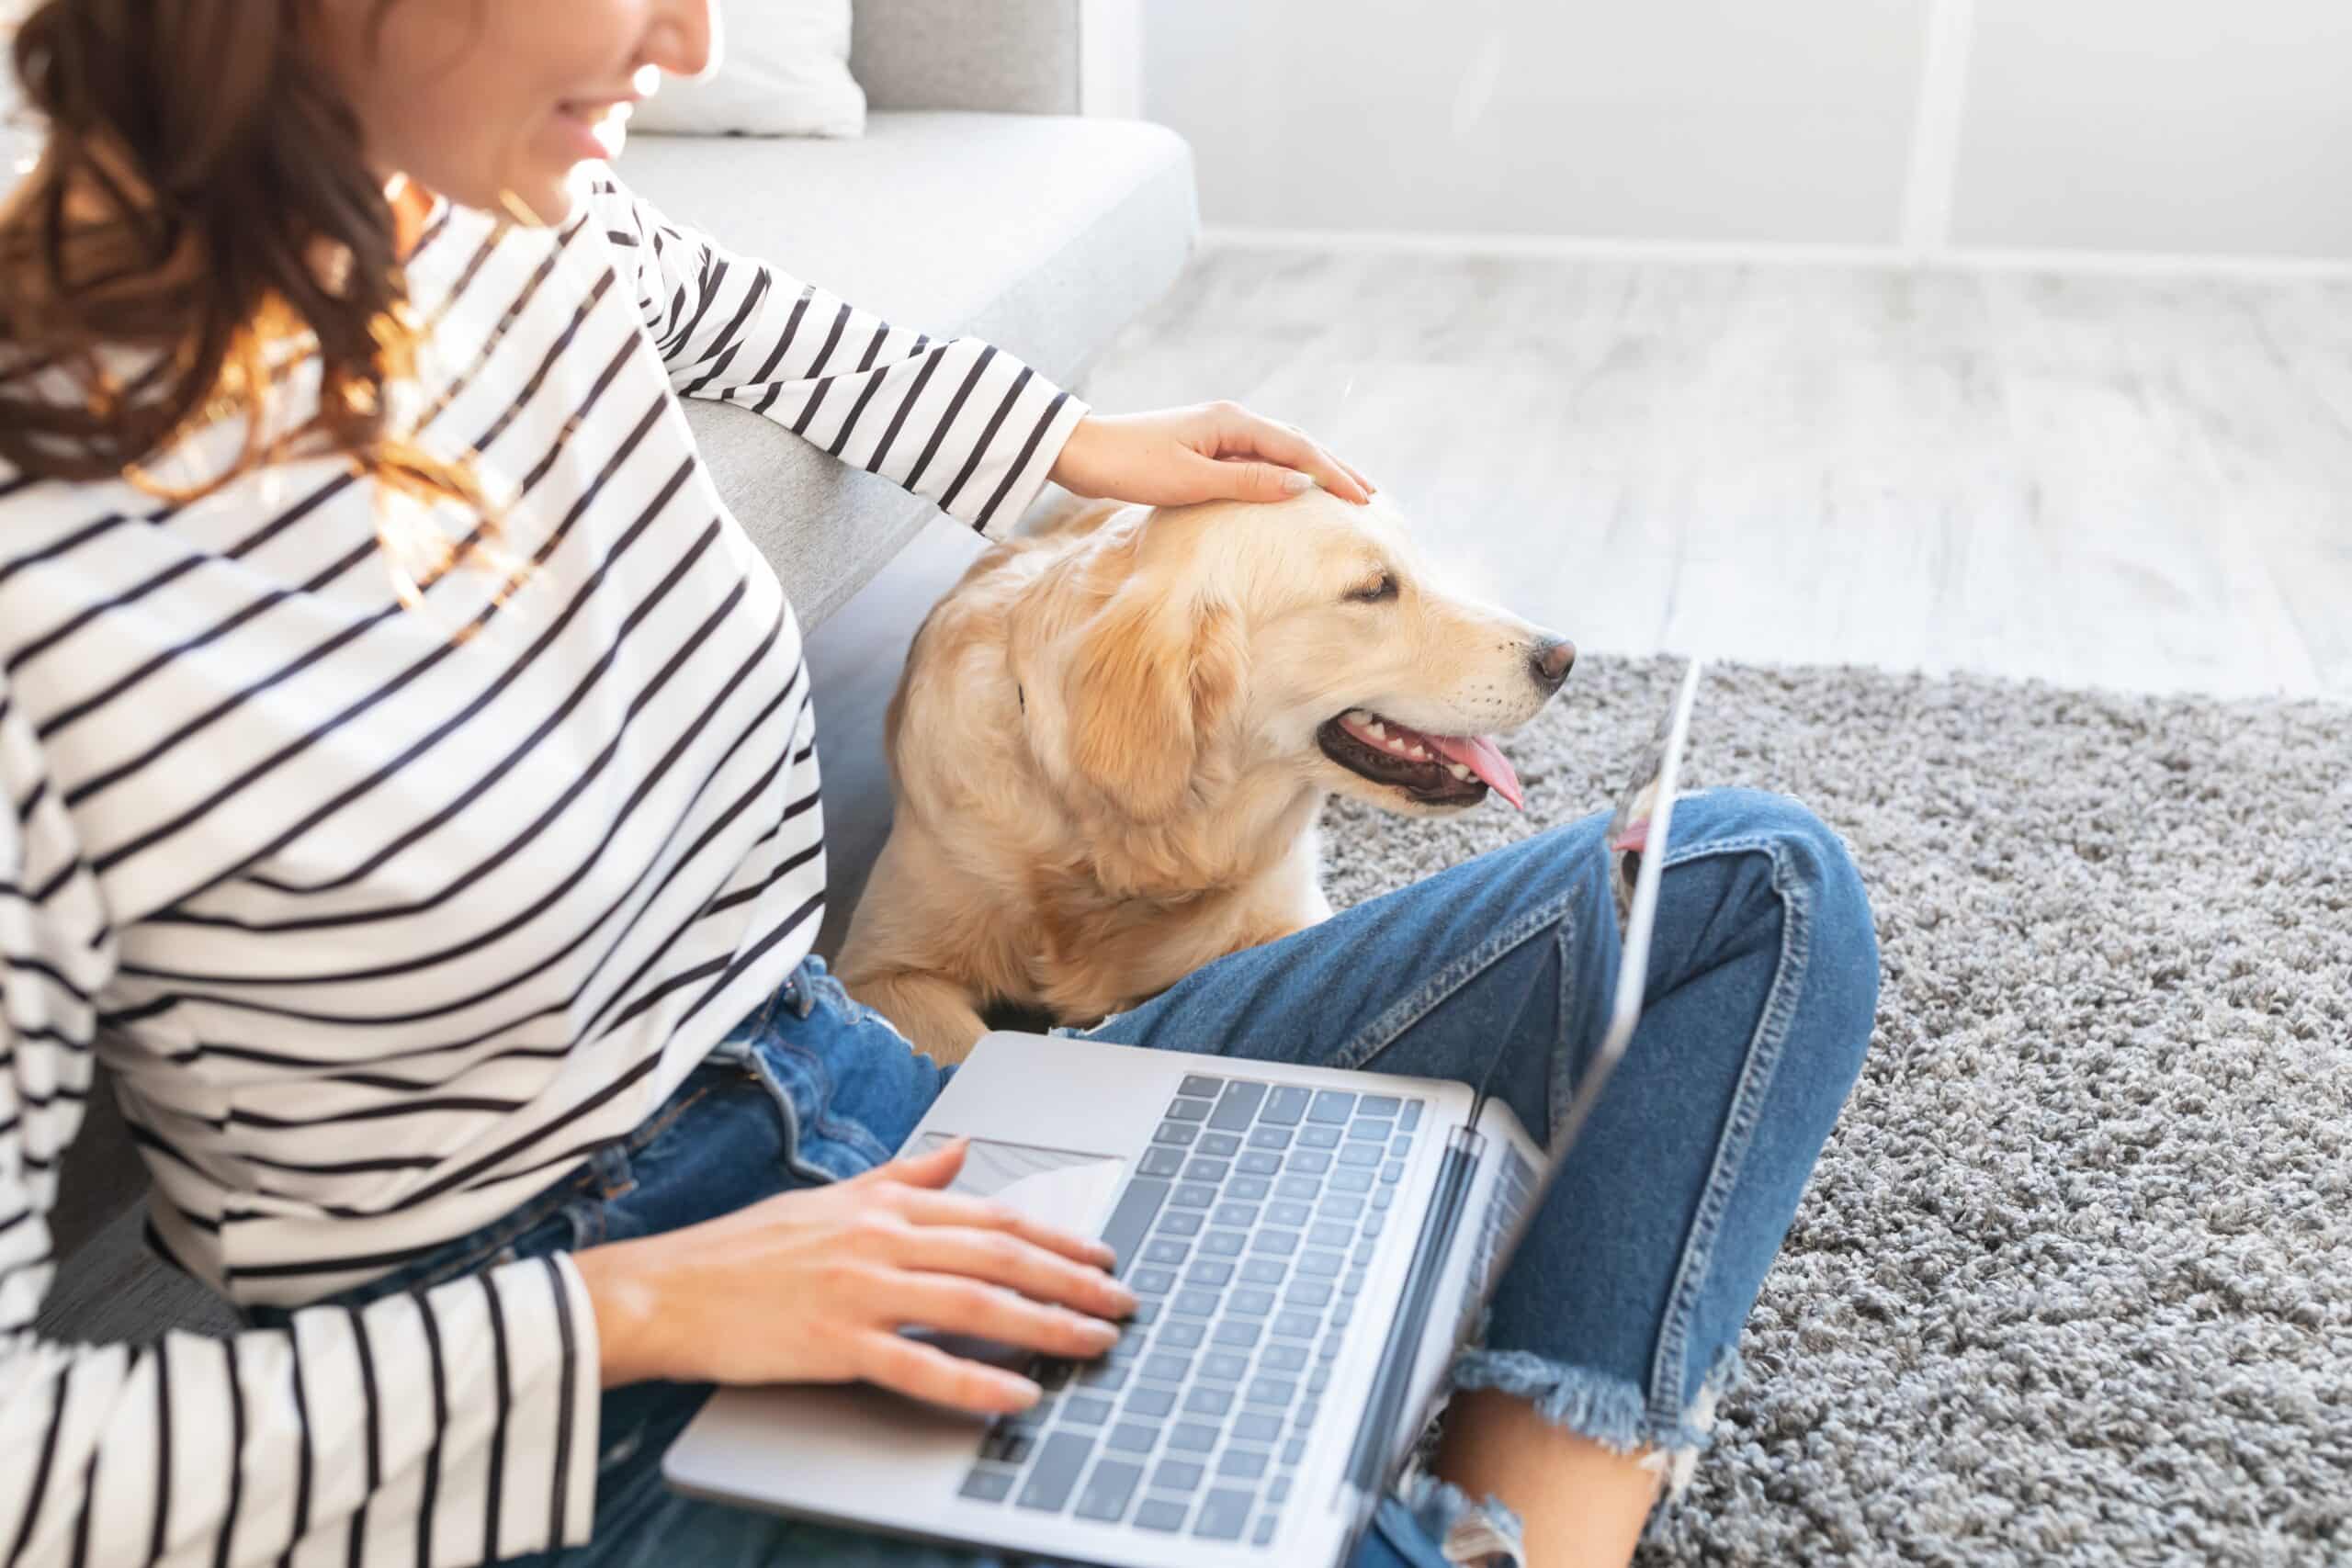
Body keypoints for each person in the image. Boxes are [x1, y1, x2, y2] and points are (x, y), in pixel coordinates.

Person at [0, 4, 1879, 1566]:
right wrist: (653, 1307)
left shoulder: (498, 212)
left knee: (1745, 889)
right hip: (564, 1388)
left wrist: (1081, 441)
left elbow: (742, 308)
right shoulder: (49, 579)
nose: (692, 35)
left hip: (872, 1101)